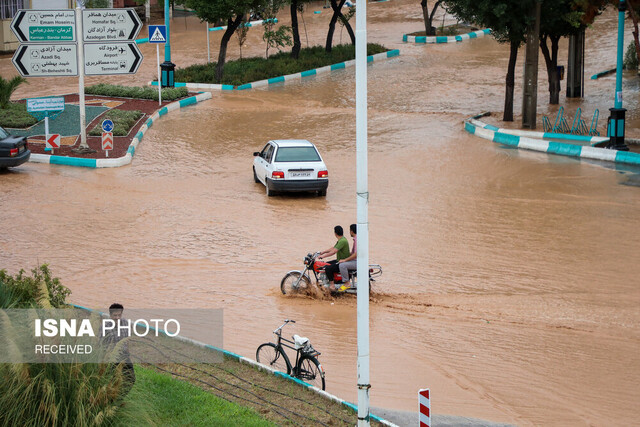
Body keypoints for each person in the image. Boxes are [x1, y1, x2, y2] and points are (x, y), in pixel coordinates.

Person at [101, 303, 136, 396]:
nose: (117, 317)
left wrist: (128, 354)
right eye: (114, 315)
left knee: (131, 379)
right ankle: (109, 400)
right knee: (112, 381)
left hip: (124, 355)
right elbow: (101, 345)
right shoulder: (104, 327)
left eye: (119, 315)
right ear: (110, 315)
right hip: (112, 357)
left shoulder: (125, 323)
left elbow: (127, 340)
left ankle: (119, 398)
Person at [318, 225, 350, 291]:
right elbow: (333, 248)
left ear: (335, 233)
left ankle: (332, 285)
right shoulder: (341, 240)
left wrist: (323, 256)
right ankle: (328, 281)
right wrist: (323, 252)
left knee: (328, 268)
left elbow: (333, 252)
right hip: (339, 260)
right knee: (325, 264)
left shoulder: (342, 241)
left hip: (342, 262)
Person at [338, 224, 357, 290]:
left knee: (342, 265)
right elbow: (352, 253)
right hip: (355, 260)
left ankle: (347, 283)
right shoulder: (356, 239)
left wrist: (345, 260)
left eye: (350, 231)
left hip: (356, 262)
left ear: (351, 231)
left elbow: (356, 254)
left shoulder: (357, 240)